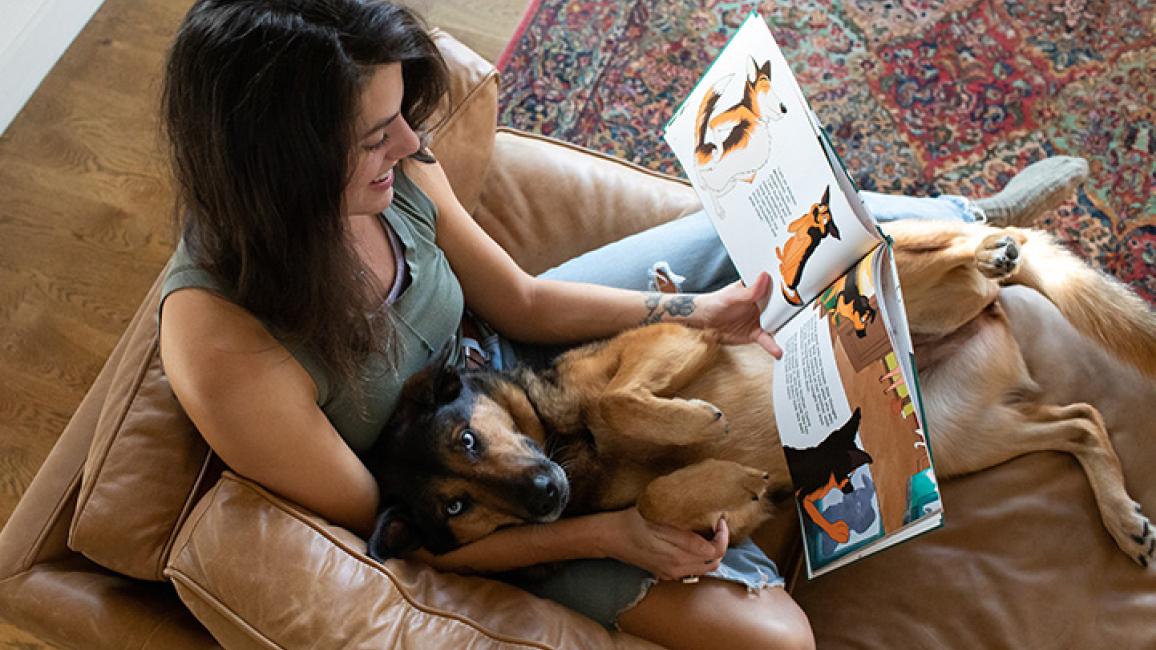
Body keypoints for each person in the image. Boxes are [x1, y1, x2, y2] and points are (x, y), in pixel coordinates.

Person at [156, 1, 1088, 648]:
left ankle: (968, 214)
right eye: (376, 138)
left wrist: (696, 308)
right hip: (488, 499)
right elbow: (405, 528)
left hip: (515, 362)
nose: (410, 148)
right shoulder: (224, 345)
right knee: (774, 640)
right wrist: (613, 537)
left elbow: (518, 301)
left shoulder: (393, 165)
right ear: (284, 167)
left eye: (402, 119)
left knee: (742, 233)